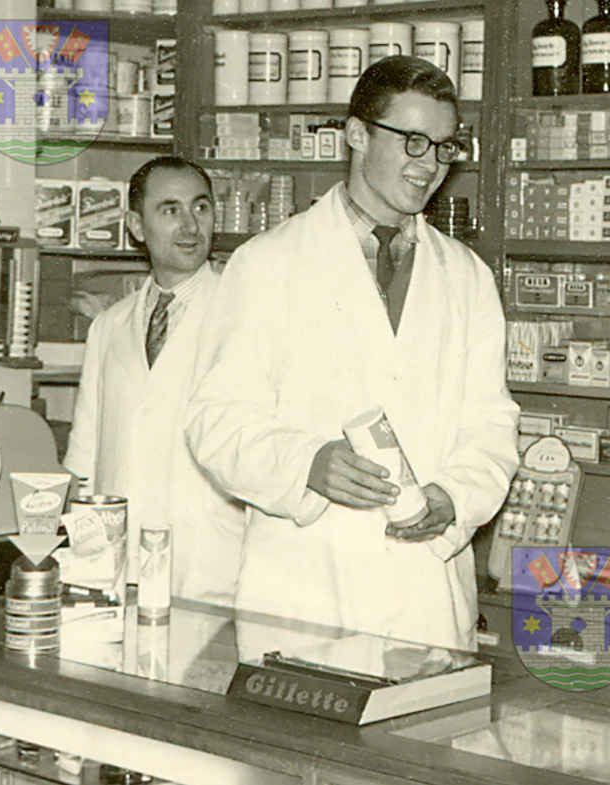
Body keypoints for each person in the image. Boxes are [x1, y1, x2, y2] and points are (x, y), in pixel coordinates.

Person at [185, 56, 519, 651]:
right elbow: (216, 421)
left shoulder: (468, 276)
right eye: (413, 141)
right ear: (357, 133)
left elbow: (491, 424)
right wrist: (307, 464)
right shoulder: (268, 263)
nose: (430, 165)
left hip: (426, 595)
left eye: (445, 147)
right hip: (303, 587)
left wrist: (453, 498)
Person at [64, 156, 244, 606]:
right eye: (170, 210)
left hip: (210, 565)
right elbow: (84, 458)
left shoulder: (244, 313)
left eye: (201, 208)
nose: (190, 225)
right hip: (115, 567)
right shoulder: (109, 326)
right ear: (136, 226)